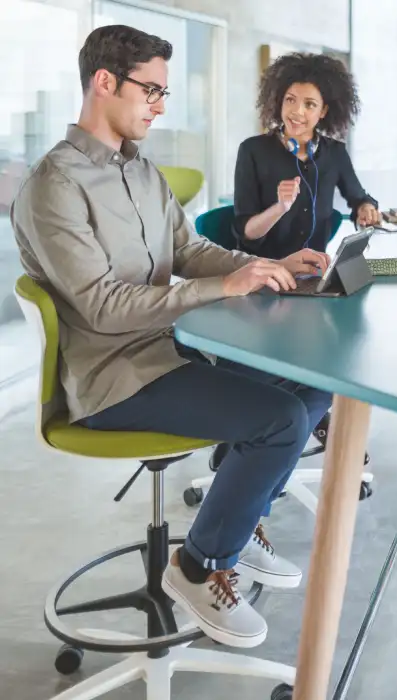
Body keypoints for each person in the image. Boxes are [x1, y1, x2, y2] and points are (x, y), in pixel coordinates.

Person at [11, 25, 335, 648]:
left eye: (164, 91)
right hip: (117, 380)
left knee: (312, 383)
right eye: (151, 90)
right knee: (282, 422)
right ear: (104, 82)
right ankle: (199, 563)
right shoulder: (55, 186)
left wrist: (266, 266)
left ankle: (237, 525)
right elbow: (103, 307)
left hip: (174, 350)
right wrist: (227, 289)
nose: (160, 105)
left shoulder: (142, 171)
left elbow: (188, 249)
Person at [227, 51, 380, 478]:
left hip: (313, 278)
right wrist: (279, 206)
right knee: (311, 349)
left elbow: (358, 197)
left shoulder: (332, 154)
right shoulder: (253, 151)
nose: (297, 112)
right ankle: (278, 431)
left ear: (324, 110)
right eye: (290, 100)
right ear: (278, 100)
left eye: (309, 104)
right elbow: (246, 234)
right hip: (265, 278)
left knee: (352, 336)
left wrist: (366, 207)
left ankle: (313, 414)